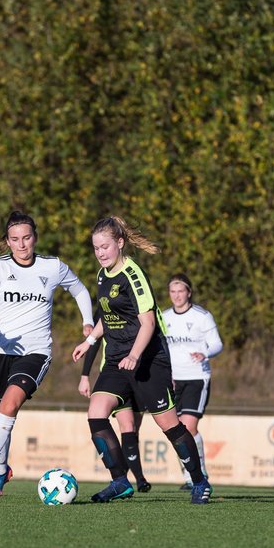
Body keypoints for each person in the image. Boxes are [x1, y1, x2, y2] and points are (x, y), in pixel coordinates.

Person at [71, 215, 212, 504]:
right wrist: (89, 341)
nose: (100, 253)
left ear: (120, 243)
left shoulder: (133, 275)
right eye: (96, 248)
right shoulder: (102, 274)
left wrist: (135, 356)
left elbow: (148, 323)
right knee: (96, 413)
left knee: (170, 426)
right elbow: (108, 319)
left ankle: (199, 481)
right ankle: (120, 481)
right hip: (116, 360)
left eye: (105, 246)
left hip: (148, 360)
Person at [0, 211, 94, 496]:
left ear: (35, 237)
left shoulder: (53, 267)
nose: (22, 244)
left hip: (35, 352)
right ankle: (1, 470)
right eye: (15, 239)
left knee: (9, 406)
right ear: (8, 242)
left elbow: (80, 290)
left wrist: (86, 320)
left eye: (26, 238)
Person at [160, 273, 223, 488]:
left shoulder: (202, 316)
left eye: (180, 291)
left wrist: (204, 352)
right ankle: (190, 476)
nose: (176, 296)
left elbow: (217, 344)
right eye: (173, 291)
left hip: (197, 377)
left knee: (188, 426)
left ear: (189, 292)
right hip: (173, 380)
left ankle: (199, 474)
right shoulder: (164, 316)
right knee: (176, 429)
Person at [79, 309, 152, 492]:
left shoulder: (143, 307)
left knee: (132, 429)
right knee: (125, 424)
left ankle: (126, 479)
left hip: (140, 374)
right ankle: (130, 479)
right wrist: (85, 375)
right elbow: (95, 342)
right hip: (115, 374)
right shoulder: (105, 307)